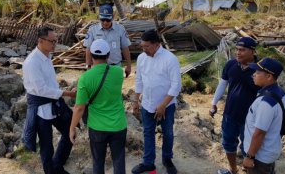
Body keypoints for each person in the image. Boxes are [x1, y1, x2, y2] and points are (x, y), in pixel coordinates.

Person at [22, 26, 76, 174]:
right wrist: (67, 93)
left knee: (70, 131)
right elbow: (41, 90)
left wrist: (62, 94)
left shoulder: (47, 57)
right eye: (52, 41)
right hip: (40, 109)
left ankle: (57, 163)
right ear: (40, 40)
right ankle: (51, 170)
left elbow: (51, 83)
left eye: (56, 41)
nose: (55, 44)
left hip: (55, 104)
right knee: (46, 146)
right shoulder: (32, 62)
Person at [69, 39, 127, 174]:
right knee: (119, 160)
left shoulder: (85, 78)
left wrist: (72, 128)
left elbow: (79, 107)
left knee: (98, 162)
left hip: (97, 127)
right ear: (108, 55)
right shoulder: (119, 72)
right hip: (118, 125)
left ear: (90, 55)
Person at [131, 30, 182, 174]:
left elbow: (176, 86)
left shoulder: (170, 59)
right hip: (147, 104)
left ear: (157, 44)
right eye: (142, 46)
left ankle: (167, 160)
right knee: (148, 133)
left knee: (168, 133)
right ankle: (148, 163)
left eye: (147, 46)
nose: (144, 49)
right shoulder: (141, 58)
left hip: (167, 106)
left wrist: (163, 105)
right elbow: (139, 80)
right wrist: (136, 101)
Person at [210, 37, 260, 174]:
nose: (238, 53)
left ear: (253, 52)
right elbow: (223, 83)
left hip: (249, 118)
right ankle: (233, 169)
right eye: (237, 50)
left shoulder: (259, 70)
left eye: (242, 50)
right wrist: (214, 103)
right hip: (229, 114)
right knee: (228, 143)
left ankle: (248, 171)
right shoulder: (231, 65)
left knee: (248, 148)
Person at [243, 58, 285, 174]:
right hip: (269, 149)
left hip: (259, 157)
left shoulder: (266, 103)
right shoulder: (280, 93)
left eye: (257, 73)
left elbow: (259, 133)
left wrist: (249, 157)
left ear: (269, 77)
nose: (253, 75)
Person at [83, 4, 132, 77]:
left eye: (108, 20)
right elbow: (88, 48)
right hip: (98, 69)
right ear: (99, 17)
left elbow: (125, 48)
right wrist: (88, 65)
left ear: (112, 17)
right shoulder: (92, 29)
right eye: (102, 20)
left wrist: (129, 65)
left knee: (115, 88)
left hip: (115, 67)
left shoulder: (120, 29)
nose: (105, 22)